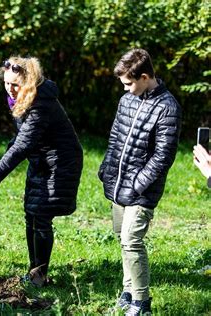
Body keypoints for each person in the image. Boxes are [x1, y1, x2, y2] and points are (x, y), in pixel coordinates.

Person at [0, 56, 83, 287]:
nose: (10, 89)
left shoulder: (40, 103)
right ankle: (34, 271)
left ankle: (39, 276)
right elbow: (22, 138)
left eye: (15, 84)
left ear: (29, 82)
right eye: (6, 83)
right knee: (31, 214)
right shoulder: (22, 99)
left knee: (42, 216)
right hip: (41, 160)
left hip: (60, 163)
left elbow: (23, 145)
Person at [98, 48, 182, 315]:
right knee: (121, 238)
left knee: (132, 240)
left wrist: (136, 185)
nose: (125, 89)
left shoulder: (168, 107)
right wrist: (106, 170)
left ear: (144, 77)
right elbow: (115, 138)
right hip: (118, 184)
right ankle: (128, 291)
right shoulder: (127, 100)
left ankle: (141, 303)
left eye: (128, 83)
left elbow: (163, 157)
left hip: (142, 190)